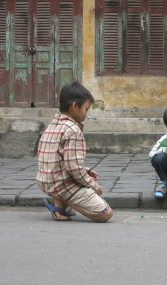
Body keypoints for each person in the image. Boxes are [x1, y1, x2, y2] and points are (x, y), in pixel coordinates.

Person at [37, 81, 113, 222]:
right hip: (61, 185)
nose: (87, 114)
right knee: (106, 213)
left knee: (80, 179)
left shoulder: (52, 125)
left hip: (45, 181)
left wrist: (85, 169)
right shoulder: (73, 130)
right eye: (86, 109)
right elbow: (74, 169)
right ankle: (63, 201)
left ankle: (60, 203)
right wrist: (92, 184)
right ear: (74, 107)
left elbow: (56, 159)